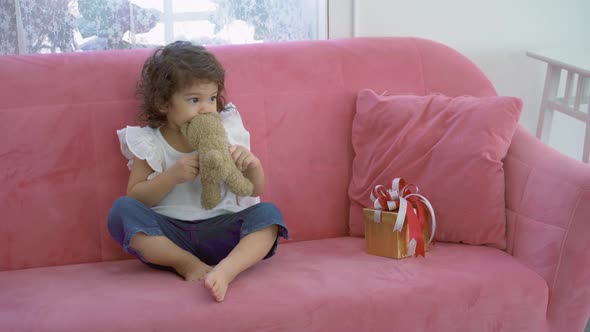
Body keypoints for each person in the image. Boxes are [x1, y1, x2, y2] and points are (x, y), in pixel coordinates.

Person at [107, 41, 289, 302]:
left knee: (269, 216)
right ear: (163, 103)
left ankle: (228, 269)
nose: (206, 108)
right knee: (121, 211)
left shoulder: (225, 134)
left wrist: (253, 166)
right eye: (194, 100)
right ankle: (185, 263)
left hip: (221, 229)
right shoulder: (151, 142)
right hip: (169, 236)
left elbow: (254, 189)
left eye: (212, 99)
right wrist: (171, 177)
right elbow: (135, 196)